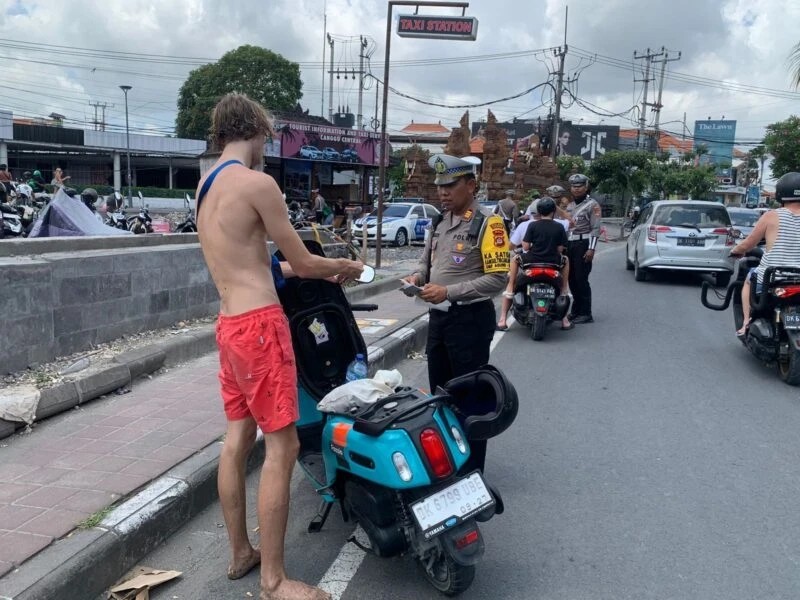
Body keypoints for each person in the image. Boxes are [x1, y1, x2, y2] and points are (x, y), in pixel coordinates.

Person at [196, 92, 362, 600]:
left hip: (227, 324)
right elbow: (307, 264)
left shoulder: (207, 187)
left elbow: (256, 261)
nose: (269, 145)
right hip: (261, 327)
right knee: (284, 445)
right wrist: (346, 268)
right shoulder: (257, 183)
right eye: (269, 136)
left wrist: (313, 266)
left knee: (237, 439)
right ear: (257, 131)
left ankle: (240, 553)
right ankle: (273, 582)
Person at [403, 153, 509, 474]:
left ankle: (473, 469)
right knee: (441, 393)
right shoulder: (439, 221)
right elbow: (426, 261)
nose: (443, 193)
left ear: (471, 185)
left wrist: (448, 291)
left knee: (471, 397)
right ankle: (449, 460)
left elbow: (498, 278)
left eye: (450, 185)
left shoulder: (488, 224)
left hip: (470, 321)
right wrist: (417, 277)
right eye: (440, 187)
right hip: (440, 320)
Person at [731, 172, 800, 337]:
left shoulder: (771, 216)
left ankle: (746, 322)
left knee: (748, 280)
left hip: (773, 278)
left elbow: (749, 243)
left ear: (780, 193)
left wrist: (735, 251)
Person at [496, 198, 572, 331]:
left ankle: (503, 317)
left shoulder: (531, 225)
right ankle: (565, 295)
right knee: (565, 260)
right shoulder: (559, 226)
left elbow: (525, 246)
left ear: (538, 211)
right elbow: (560, 249)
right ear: (553, 211)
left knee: (515, 260)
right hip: (553, 263)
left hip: (532, 261)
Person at [564, 173, 601, 324]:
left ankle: (586, 313)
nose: (577, 189)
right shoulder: (570, 206)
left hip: (583, 245)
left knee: (581, 279)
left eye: (580, 186)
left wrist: (591, 249)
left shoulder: (593, 205)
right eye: (574, 186)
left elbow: (596, 228)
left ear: (586, 187)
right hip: (570, 245)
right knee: (571, 279)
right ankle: (576, 311)